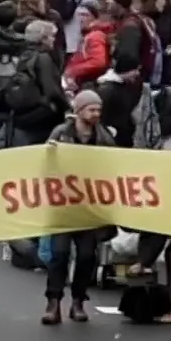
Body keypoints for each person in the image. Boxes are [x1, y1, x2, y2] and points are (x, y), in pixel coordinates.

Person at [44, 91, 114, 324]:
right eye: (91, 109)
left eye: (98, 110)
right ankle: (53, 302)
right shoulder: (60, 133)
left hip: (88, 208)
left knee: (86, 256)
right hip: (63, 207)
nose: (96, 114)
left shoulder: (103, 137)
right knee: (59, 254)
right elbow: (46, 162)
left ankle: (77, 302)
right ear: (79, 110)